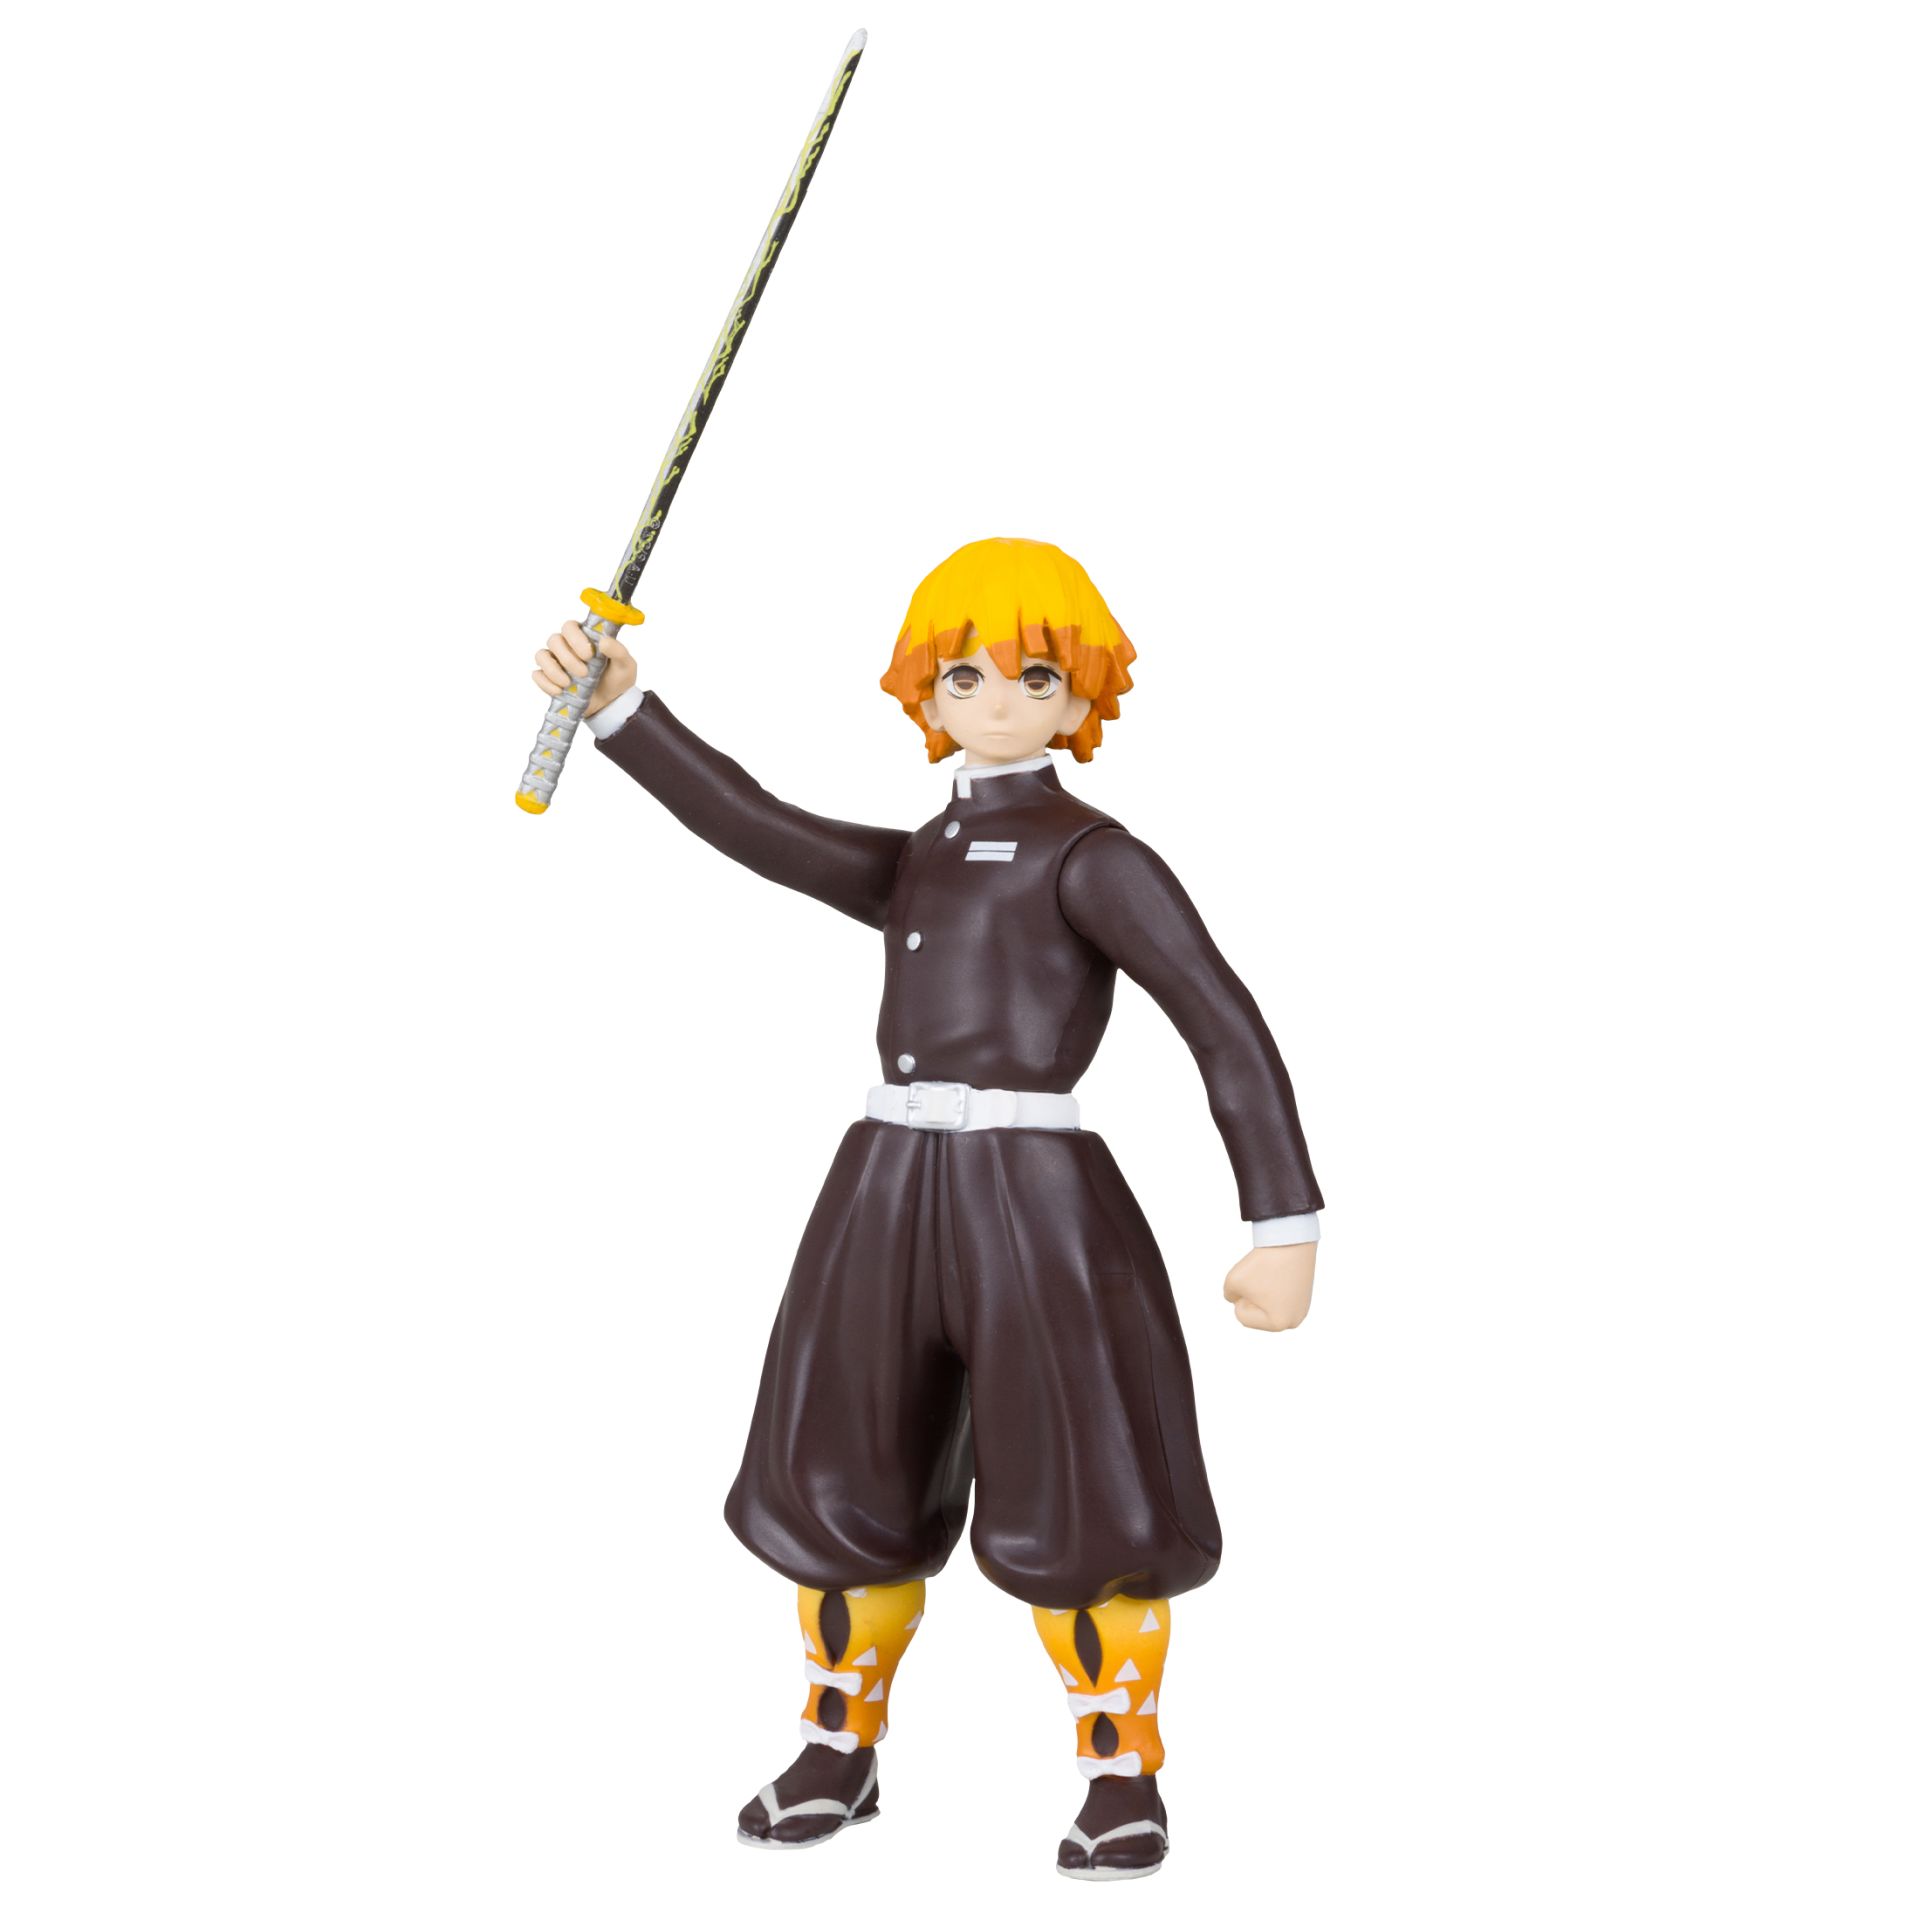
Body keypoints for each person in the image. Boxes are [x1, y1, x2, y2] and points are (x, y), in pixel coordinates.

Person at [530, 537, 1324, 1881]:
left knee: (1086, 1494)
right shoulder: (927, 857)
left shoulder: (1098, 858)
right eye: (965, 674)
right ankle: (838, 1745)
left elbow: (1223, 1023)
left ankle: (1120, 1773)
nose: (997, 699)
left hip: (1037, 1202)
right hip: (888, 1187)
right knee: (843, 1477)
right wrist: (622, 709)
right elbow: (766, 829)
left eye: (1032, 676)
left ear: (1081, 692)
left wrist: (1281, 1225)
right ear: (925, 690)